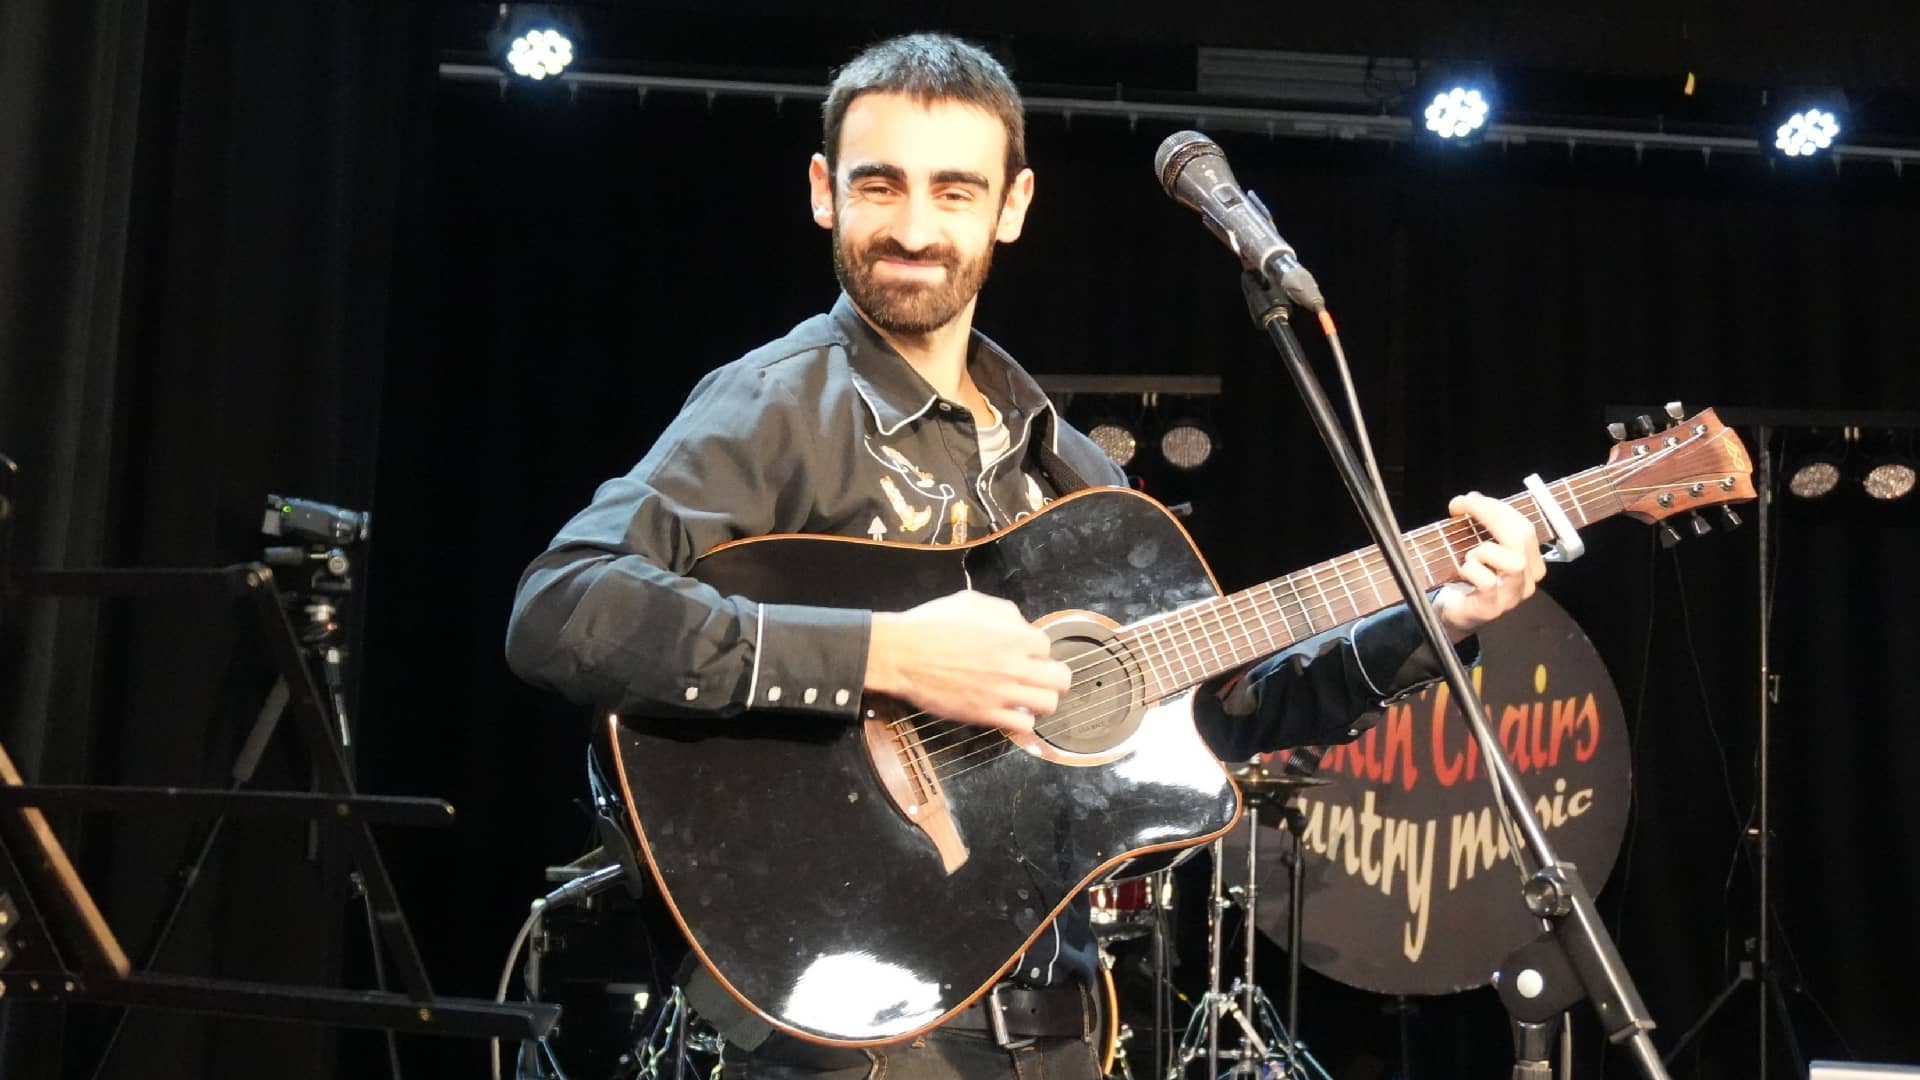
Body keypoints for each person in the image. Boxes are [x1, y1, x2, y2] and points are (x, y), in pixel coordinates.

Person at [506, 31, 1546, 1080]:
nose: (915, 228)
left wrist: (1437, 615)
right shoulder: (774, 407)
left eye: (955, 192)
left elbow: (1226, 713)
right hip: (847, 1034)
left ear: (1012, 207)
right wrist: (885, 656)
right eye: (881, 186)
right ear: (825, 193)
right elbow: (564, 610)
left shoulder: (1077, 475)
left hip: (1053, 1027)